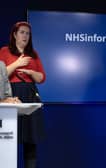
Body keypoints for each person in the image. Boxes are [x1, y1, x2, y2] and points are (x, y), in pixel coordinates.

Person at [0, 21, 46, 168]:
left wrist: (32, 73)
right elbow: (1, 75)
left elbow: (42, 78)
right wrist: (17, 64)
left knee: (31, 139)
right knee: (9, 136)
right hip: (11, 97)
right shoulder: (4, 51)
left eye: (27, 33)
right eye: (22, 32)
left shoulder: (33, 54)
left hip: (30, 95)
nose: (25, 36)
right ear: (14, 34)